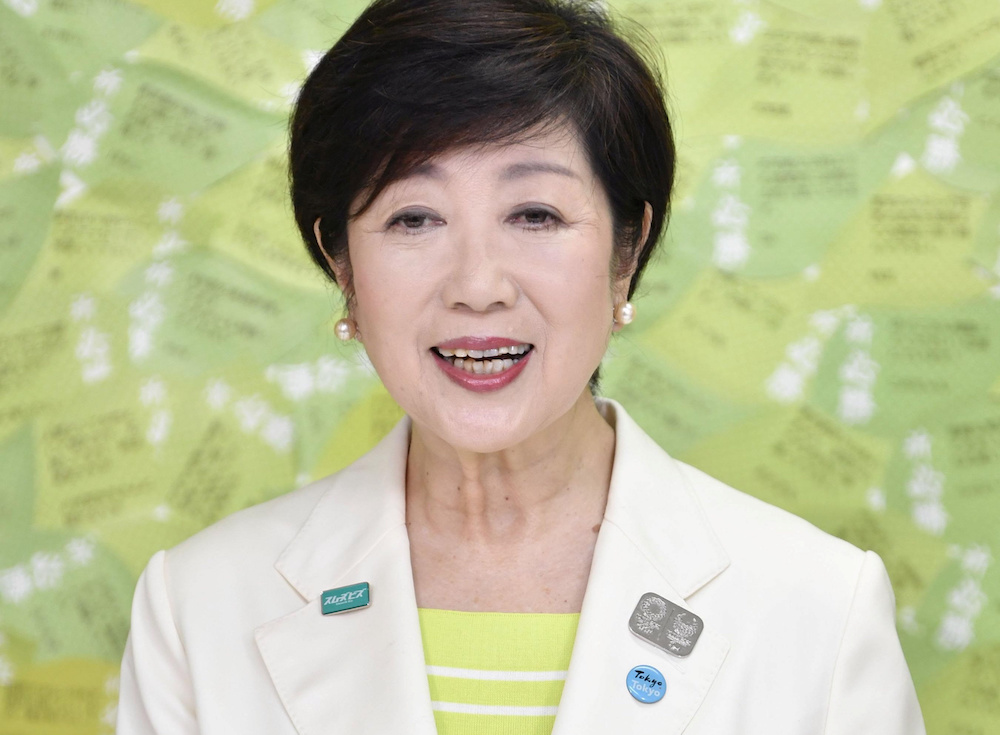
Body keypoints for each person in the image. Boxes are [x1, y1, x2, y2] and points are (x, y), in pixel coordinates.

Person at [116, 0, 926, 733]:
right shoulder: (197, 607)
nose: (477, 287)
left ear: (626, 251)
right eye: (414, 216)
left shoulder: (819, 606)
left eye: (534, 213)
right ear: (344, 266)